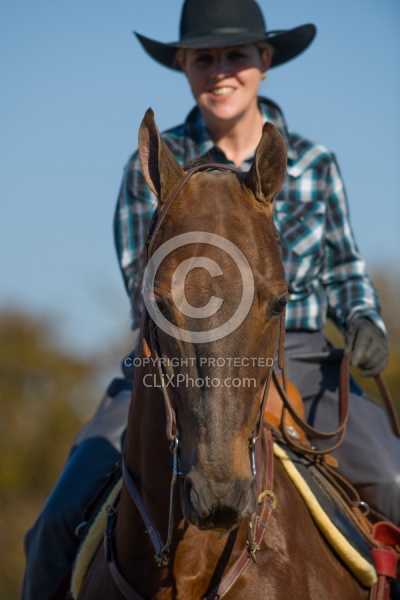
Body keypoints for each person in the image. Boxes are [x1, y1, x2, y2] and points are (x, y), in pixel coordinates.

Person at [22, 1, 400, 598]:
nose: (220, 71)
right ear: (184, 67)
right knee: (51, 528)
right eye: (204, 59)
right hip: (175, 359)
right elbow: (140, 284)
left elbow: (346, 265)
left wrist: (363, 317)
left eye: (235, 56)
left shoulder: (313, 163)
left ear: (264, 61)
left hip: (298, 351)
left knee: (395, 480)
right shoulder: (151, 167)